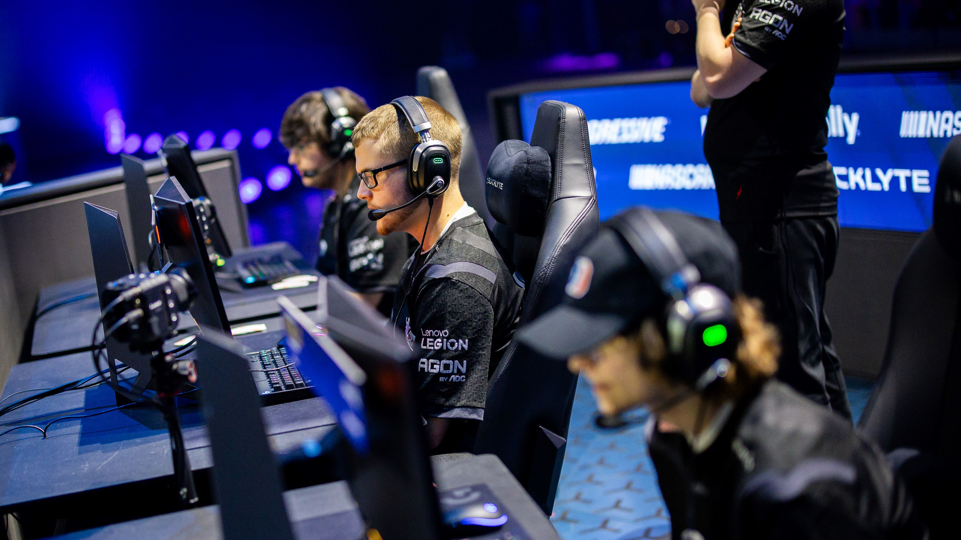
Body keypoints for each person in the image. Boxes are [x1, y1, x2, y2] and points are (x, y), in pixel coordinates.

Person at [518, 207, 925, 539]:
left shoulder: (798, 488)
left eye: (600, 343)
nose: (577, 362)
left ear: (685, 335)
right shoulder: (672, 431)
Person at [690, 0, 852, 418]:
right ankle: (852, 479)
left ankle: (818, 482)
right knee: (810, 358)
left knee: (794, 375)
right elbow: (702, 89)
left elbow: (719, 77)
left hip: (780, 206)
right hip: (760, 206)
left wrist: (706, 10)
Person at [351, 96, 523, 453]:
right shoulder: (433, 250)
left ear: (428, 173)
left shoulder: (455, 284)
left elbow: (426, 435)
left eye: (371, 177)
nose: (361, 193)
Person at [280, 88, 413, 315]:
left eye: (301, 146)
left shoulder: (373, 206)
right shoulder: (340, 202)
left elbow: (365, 307)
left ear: (341, 142)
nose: (292, 158)